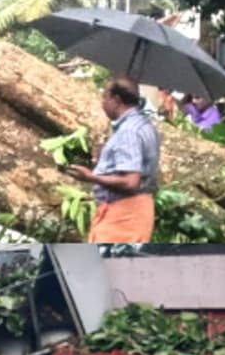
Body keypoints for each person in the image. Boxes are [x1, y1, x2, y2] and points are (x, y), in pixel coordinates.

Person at [68, 76, 161, 244]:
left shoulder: (128, 131)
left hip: (122, 214)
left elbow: (131, 181)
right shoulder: (144, 124)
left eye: (105, 97)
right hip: (139, 209)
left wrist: (91, 177)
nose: (102, 103)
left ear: (116, 100)